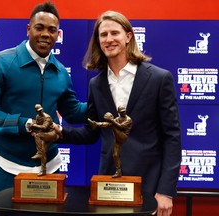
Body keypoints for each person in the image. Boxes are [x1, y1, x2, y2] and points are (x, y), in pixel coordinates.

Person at [0, 2, 87, 216]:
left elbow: (73, 111)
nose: (45, 34)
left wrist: (108, 100)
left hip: (49, 170)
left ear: (57, 34)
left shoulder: (60, 72)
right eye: (39, 27)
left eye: (51, 30)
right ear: (28, 28)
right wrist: (25, 124)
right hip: (6, 169)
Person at [59, 10, 181, 216]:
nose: (109, 39)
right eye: (103, 34)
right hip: (109, 185)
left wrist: (166, 191)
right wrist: (59, 132)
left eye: (114, 33)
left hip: (149, 186)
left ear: (128, 37)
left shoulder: (160, 78)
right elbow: (91, 132)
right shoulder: (96, 84)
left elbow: (172, 137)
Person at [88, 106, 132, 178]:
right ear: (119, 112)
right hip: (117, 138)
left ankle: (96, 125)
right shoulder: (117, 119)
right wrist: (111, 120)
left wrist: (111, 120)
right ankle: (118, 171)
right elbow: (110, 123)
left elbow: (121, 127)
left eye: (124, 111)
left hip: (123, 136)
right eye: (122, 112)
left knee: (113, 124)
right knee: (115, 154)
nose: (123, 112)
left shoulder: (128, 119)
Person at [30, 104, 59, 176]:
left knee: (38, 136)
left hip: (51, 134)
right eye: (39, 111)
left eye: (41, 110)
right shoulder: (38, 116)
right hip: (44, 135)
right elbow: (38, 127)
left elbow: (44, 127)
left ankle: (39, 152)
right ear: (36, 111)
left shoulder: (47, 117)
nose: (40, 111)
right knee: (43, 152)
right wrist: (33, 129)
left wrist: (33, 125)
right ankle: (43, 170)